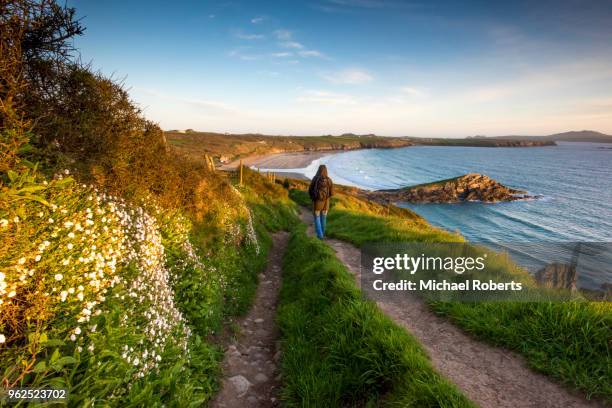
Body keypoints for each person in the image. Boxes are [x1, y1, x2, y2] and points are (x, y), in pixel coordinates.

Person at [308, 165, 334, 239]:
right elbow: (332, 193)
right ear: (326, 171)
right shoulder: (329, 180)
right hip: (326, 202)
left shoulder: (315, 179)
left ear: (318, 170)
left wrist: (313, 198)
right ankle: (322, 235)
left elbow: (310, 190)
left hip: (317, 202)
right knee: (324, 218)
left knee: (317, 218)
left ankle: (320, 236)